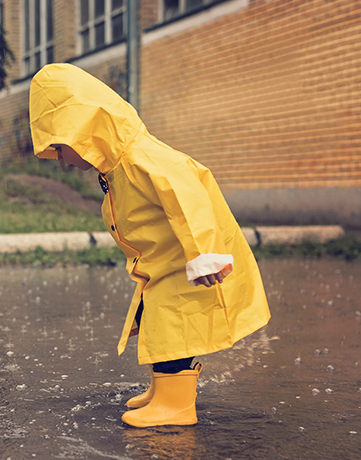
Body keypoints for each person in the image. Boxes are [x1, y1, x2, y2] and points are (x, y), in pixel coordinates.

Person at [28, 63, 271, 428]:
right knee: (159, 325)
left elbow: (188, 200)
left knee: (174, 331)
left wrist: (204, 255)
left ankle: (176, 405)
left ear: (83, 131)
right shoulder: (117, 166)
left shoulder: (140, 158)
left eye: (60, 146)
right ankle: (165, 391)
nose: (60, 159)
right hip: (162, 266)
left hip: (183, 265)